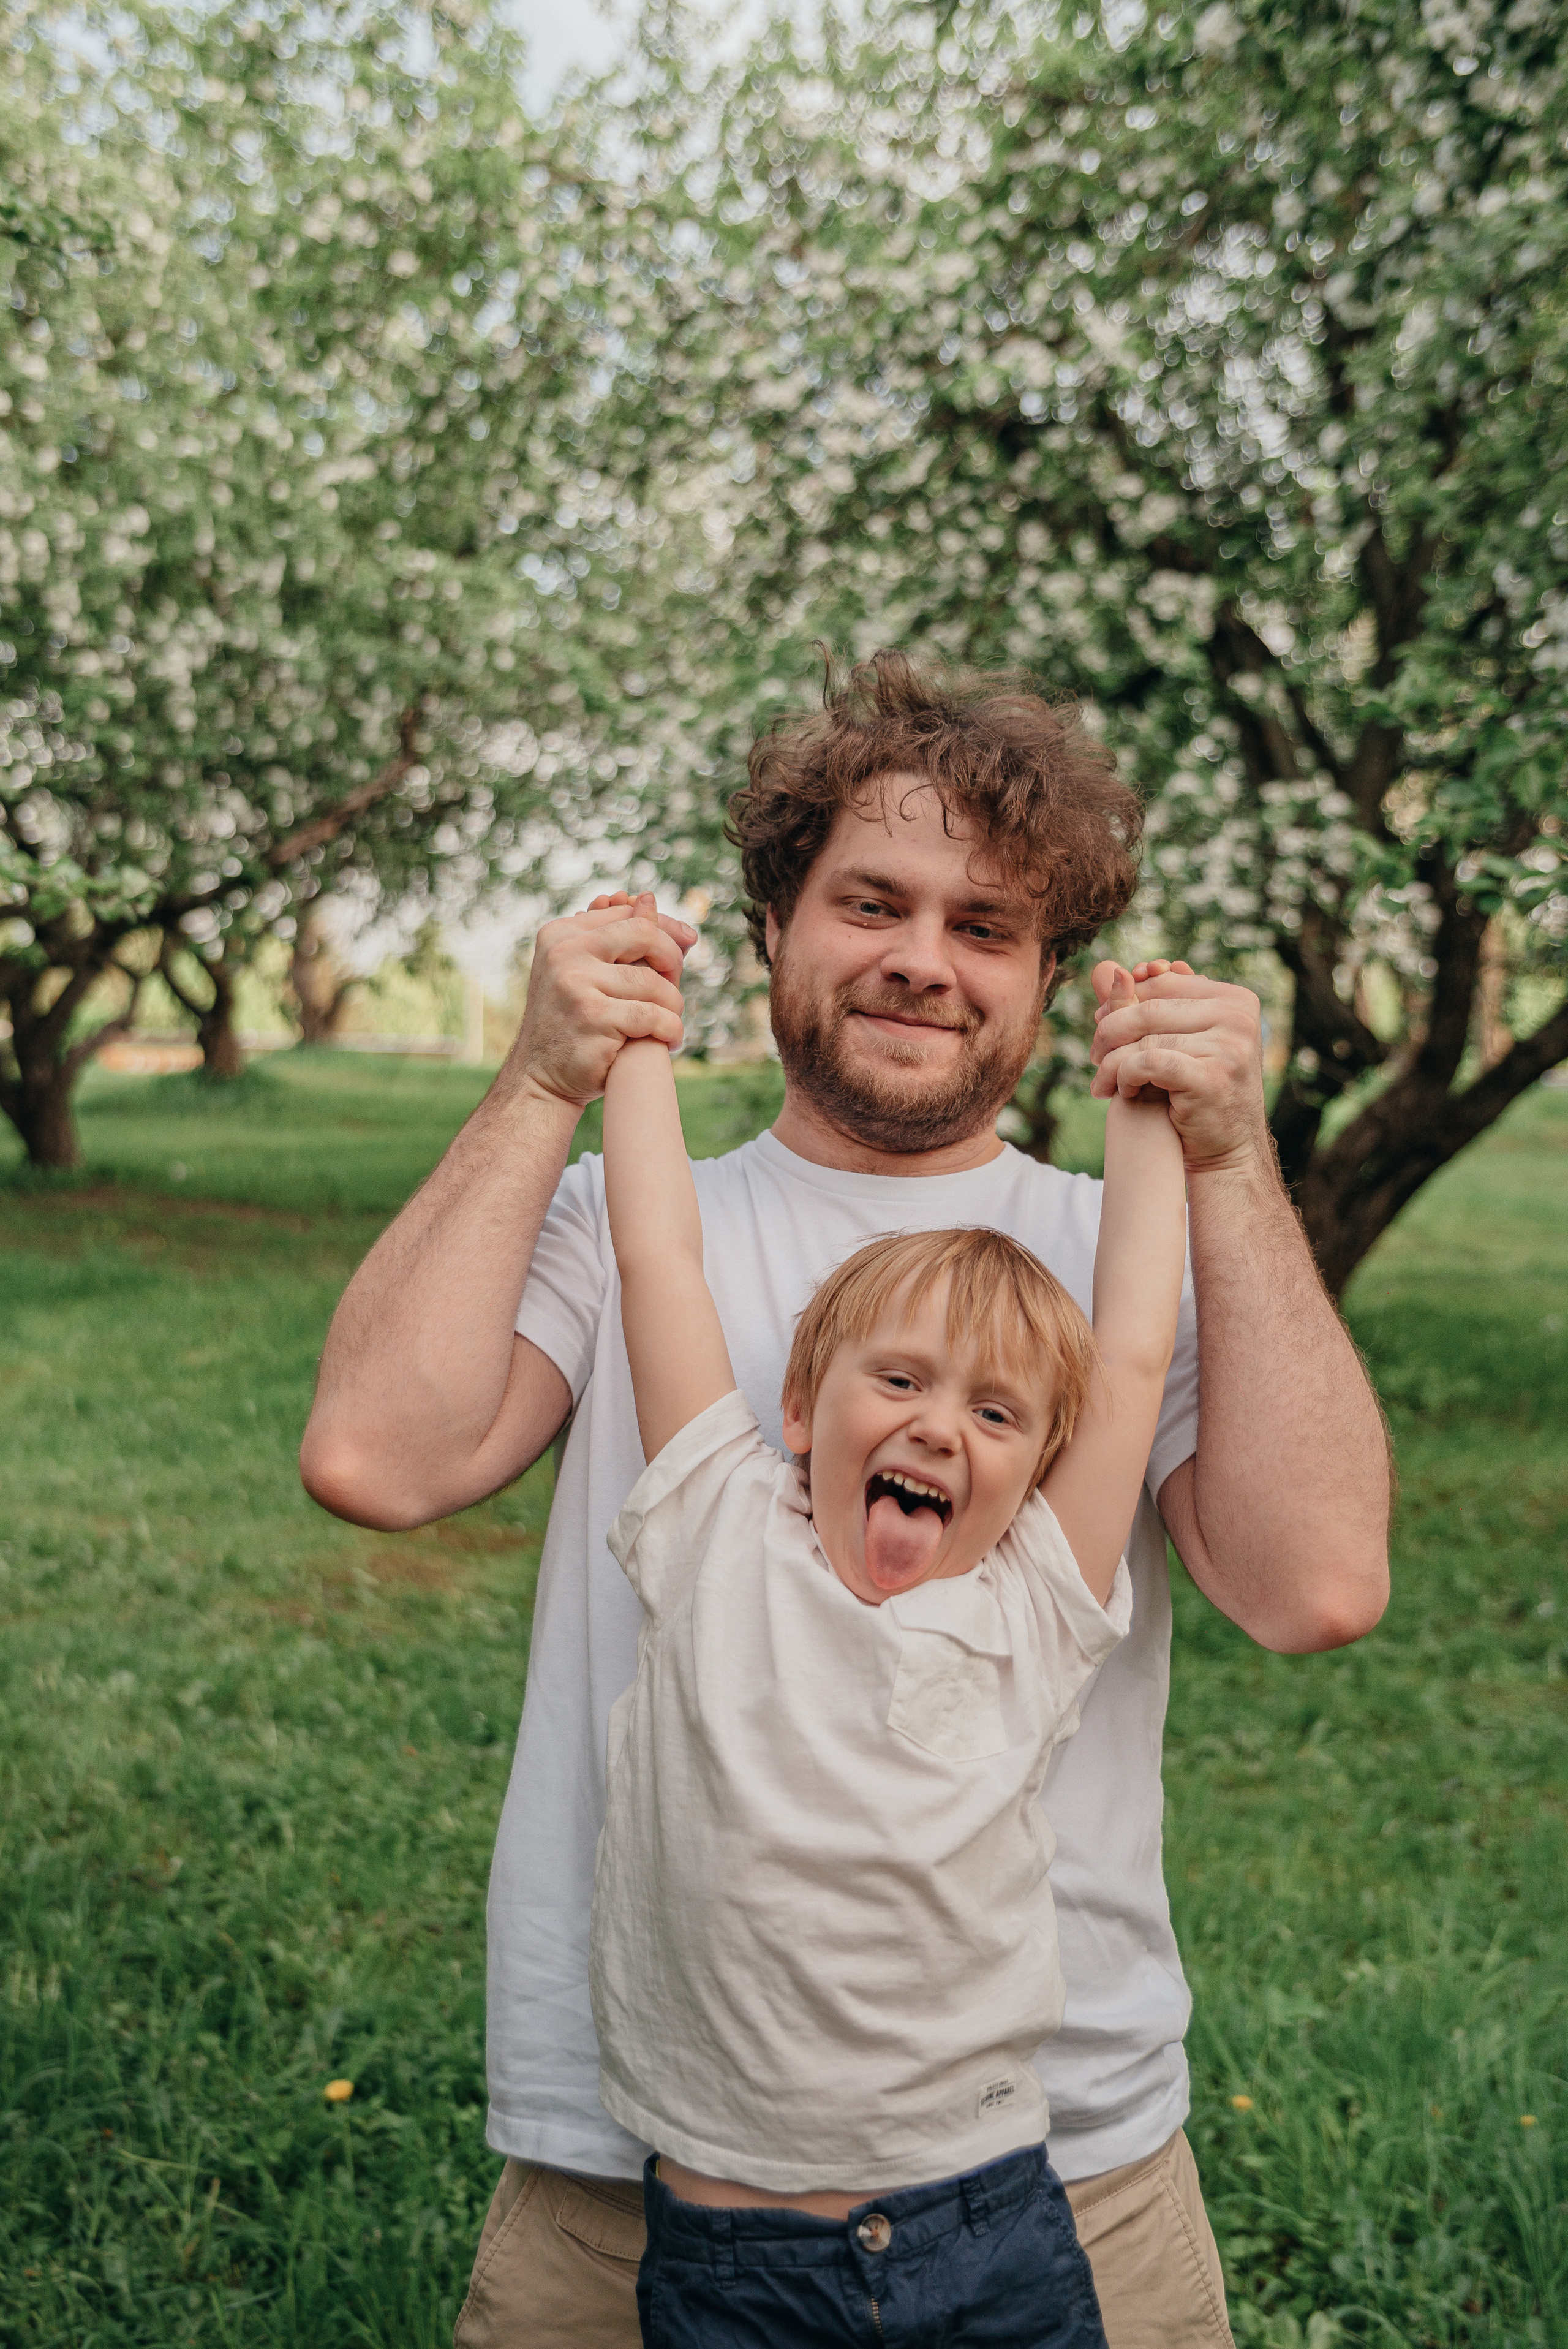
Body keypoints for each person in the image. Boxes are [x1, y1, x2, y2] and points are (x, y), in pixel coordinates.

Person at [300, 653, 1391, 2349]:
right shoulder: (609, 1227)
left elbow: (1316, 1583)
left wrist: (1227, 1155)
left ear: (1045, 979)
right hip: (631, 2169)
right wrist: (544, 1076)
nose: (920, 960)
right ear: (774, 928)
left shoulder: (1113, 1264)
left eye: (985, 926)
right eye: (871, 901)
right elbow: (374, 1459)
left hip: (1063, 2163)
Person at [594, 945, 1186, 2347]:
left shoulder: (1031, 1601)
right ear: (803, 1406)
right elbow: (654, 1254)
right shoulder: (716, 1530)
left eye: (994, 1416)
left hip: (983, 2231)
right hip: (729, 2250)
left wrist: (1151, 1090)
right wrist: (626, 1034)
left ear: (1038, 1466)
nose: (936, 1427)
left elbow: (1140, 1353)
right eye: (901, 1381)